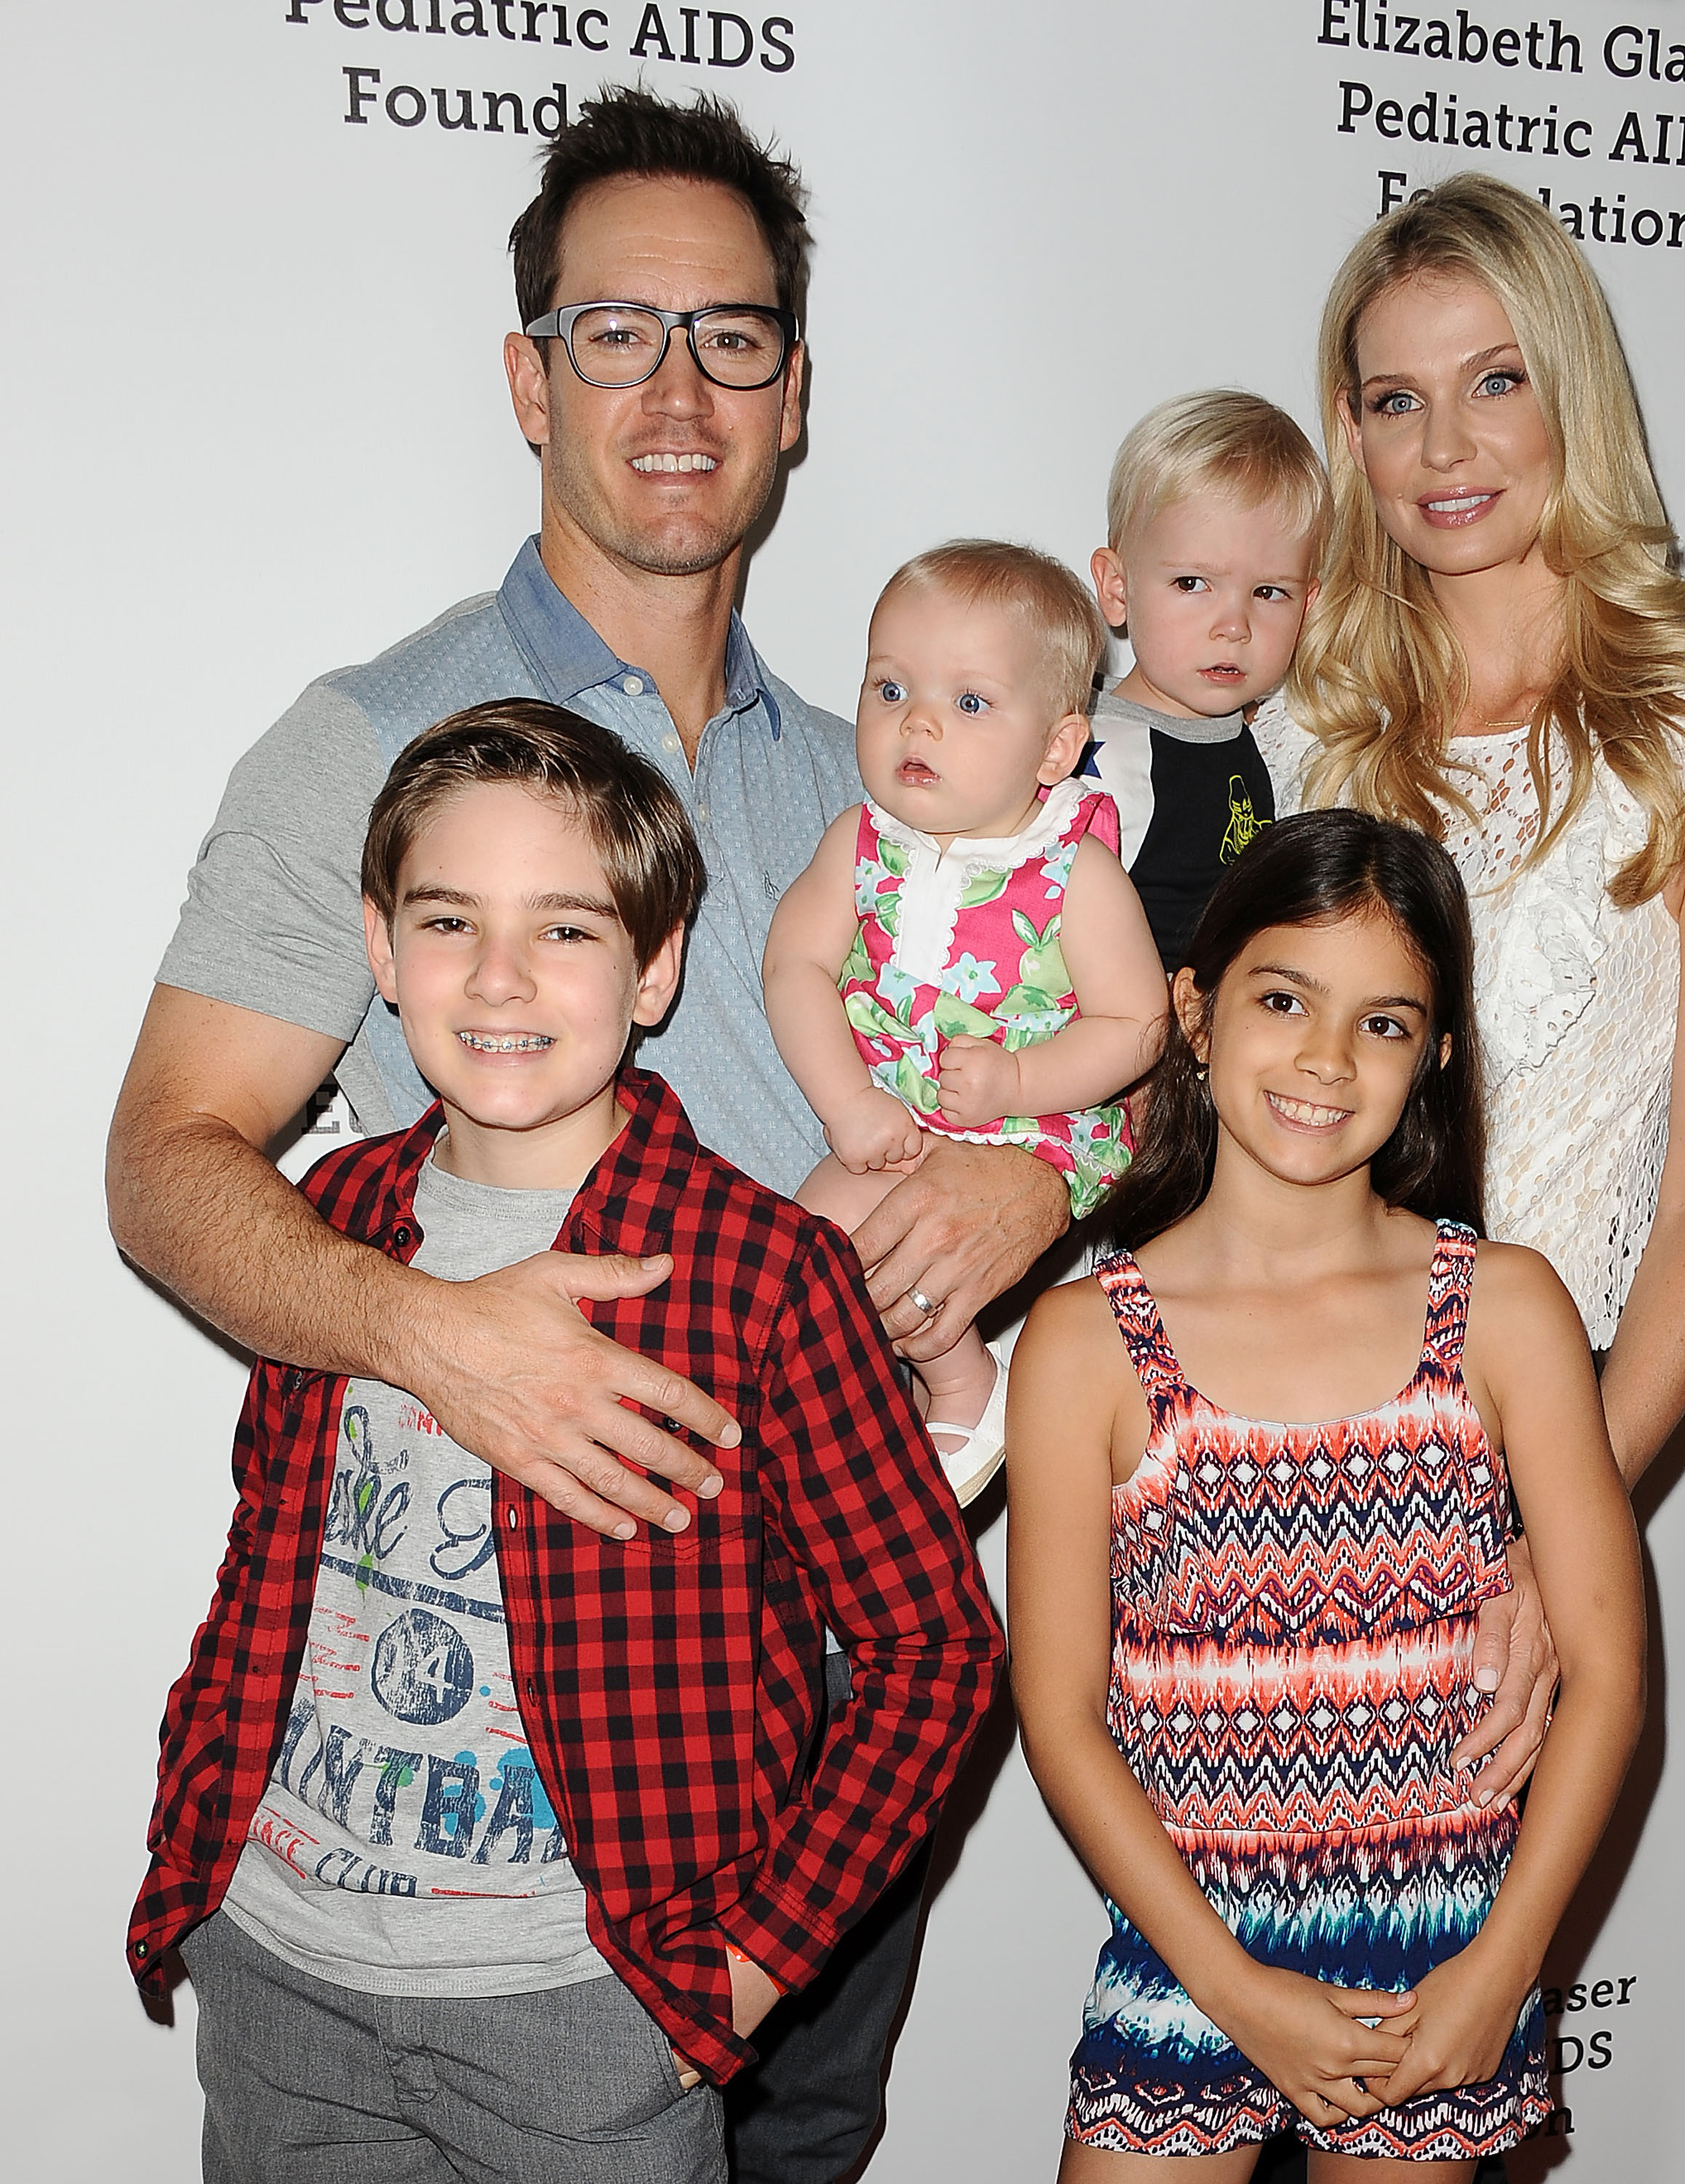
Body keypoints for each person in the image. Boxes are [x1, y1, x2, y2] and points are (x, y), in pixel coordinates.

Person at [106, 88, 1066, 2184]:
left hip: (807, 1727)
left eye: (729, 337)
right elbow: (169, 1167)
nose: (674, 387)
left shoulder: (909, 790)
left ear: (793, 395)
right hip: (478, 1748)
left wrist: (1040, 1175)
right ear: (527, 373)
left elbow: (1140, 1061)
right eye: (612, 331)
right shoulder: (376, 744)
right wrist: (439, 1337)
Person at [128, 702, 1004, 2182]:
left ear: (656, 965)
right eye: (449, 920)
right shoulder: (330, 1220)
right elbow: (274, 1543)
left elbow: (932, 1654)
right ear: (380, 945)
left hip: (590, 2009)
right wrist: (202, 1817)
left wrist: (749, 1962)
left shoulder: (761, 1275)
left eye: (569, 931)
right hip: (281, 1973)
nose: (500, 979)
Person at [1252, 172, 1685, 1805]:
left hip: (1501, 1489)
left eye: (1493, 380)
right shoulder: (1296, 733)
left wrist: (1553, 1533)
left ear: (1569, 391)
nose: (1443, 448)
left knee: (1437, 2029)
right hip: (1233, 1473)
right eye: (1393, 399)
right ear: (1348, 439)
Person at [1008, 812, 1646, 2178]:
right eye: (1284, 999)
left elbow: (1605, 1672)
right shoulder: (1082, 1344)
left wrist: (1507, 1966)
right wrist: (1235, 1991)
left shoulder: (1507, 1310)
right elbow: (1060, 1718)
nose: (1323, 1059)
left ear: (1438, 1057)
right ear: (1196, 1007)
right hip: (1186, 1951)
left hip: (1445, 1958)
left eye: (1384, 1024)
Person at [764, 542, 1167, 1500]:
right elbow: (795, 967)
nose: (920, 724)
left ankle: (961, 1381)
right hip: (895, 1114)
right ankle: (857, 1425)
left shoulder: (1075, 869)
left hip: (1036, 1122)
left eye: (970, 702)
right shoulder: (860, 842)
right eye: (890, 689)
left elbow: (1138, 1025)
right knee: (809, 1247)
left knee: (904, 1262)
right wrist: (847, 1101)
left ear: (1056, 749)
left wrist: (1017, 1083)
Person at [1083, 392, 1326, 975]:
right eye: (1192, 584)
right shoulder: (1096, 750)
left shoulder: (1270, 736)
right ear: (1118, 590)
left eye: (1269, 593)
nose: (1234, 626)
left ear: (1307, 608)